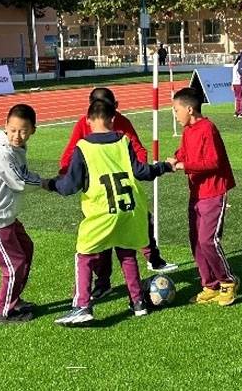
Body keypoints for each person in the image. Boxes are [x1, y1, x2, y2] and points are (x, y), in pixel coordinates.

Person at [43, 100, 173, 326]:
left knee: (84, 256)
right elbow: (141, 172)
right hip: (130, 210)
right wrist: (164, 166)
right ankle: (138, 303)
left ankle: (82, 306)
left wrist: (50, 184)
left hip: (102, 212)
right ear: (113, 120)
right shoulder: (124, 141)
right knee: (127, 253)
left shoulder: (84, 147)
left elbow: (70, 186)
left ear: (88, 120)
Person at [58, 88, 178, 294]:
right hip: (100, 193)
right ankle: (104, 284)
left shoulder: (122, 123)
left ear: (115, 109)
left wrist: (136, 169)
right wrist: (67, 174)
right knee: (102, 243)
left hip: (124, 189)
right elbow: (70, 153)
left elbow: (138, 148)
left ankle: (153, 260)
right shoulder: (84, 124)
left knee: (141, 223)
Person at [168, 87, 240, 306]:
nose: (175, 115)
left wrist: (184, 165)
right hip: (196, 193)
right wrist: (174, 158)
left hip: (213, 192)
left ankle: (228, 281)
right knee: (196, 242)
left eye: (176, 110)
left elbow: (213, 162)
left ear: (189, 109)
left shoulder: (208, 128)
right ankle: (210, 284)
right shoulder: (188, 130)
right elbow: (184, 152)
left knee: (208, 241)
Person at [0, 104, 43, 324]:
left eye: (23, 131)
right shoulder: (2, 154)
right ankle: (2, 311)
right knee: (14, 265)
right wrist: (46, 183)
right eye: (13, 130)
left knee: (26, 249)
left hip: (8, 216)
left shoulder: (17, 150)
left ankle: (13, 299)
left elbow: (23, 174)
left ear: (33, 130)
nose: (17, 135)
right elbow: (20, 182)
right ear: (5, 126)